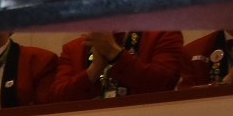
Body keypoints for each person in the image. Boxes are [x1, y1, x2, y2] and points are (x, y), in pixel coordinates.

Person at [50, 31, 184, 100]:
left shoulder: (163, 34)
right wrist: (93, 70)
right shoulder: (73, 48)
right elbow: (56, 101)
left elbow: (164, 85)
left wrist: (115, 54)